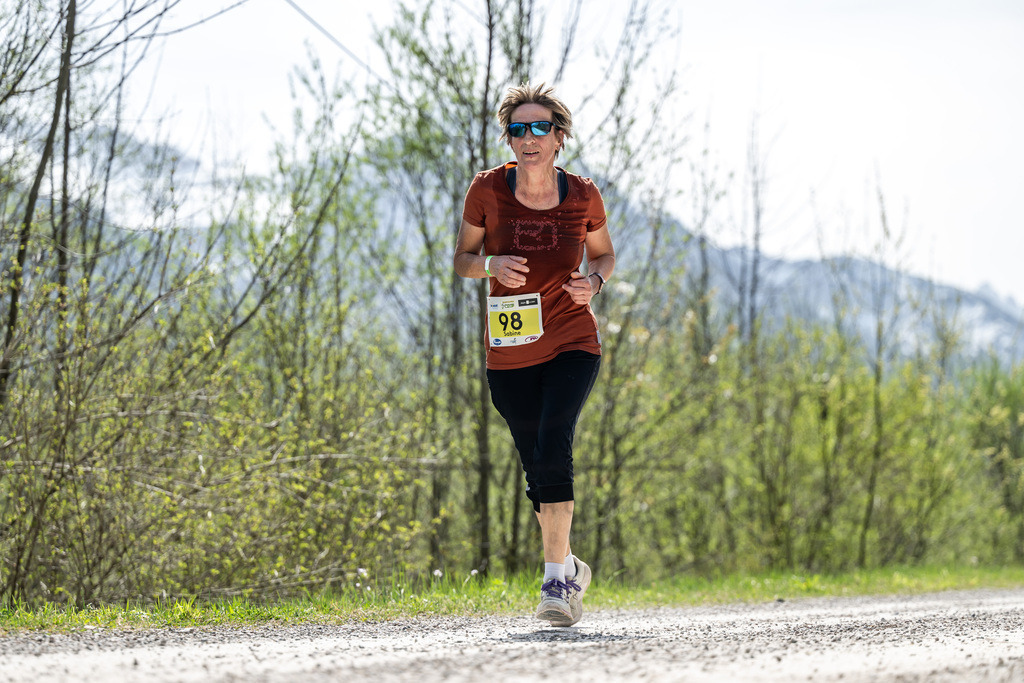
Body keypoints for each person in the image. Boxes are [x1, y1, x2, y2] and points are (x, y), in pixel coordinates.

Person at [453, 83, 615, 627]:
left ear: (559, 137)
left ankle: (554, 586)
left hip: (572, 343)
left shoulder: (583, 196)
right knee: (535, 464)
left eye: (538, 128)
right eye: (516, 129)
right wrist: (490, 267)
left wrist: (594, 282)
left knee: (554, 442)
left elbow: (605, 254)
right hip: (510, 351)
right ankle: (568, 562)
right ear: (509, 138)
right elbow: (462, 259)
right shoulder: (487, 190)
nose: (527, 138)